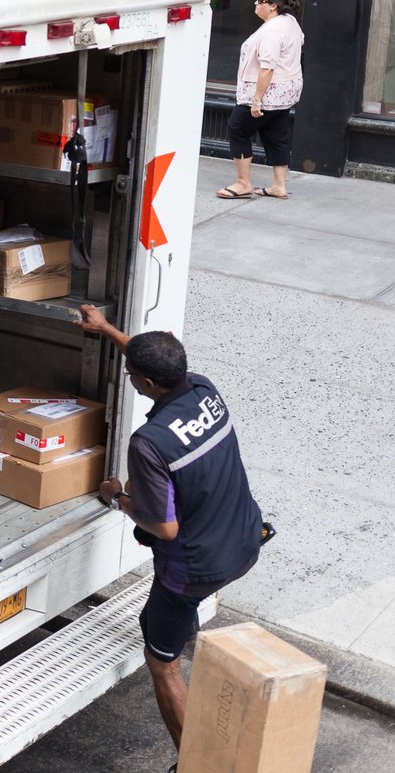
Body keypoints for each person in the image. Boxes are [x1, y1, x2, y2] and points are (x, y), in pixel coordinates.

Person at [76, 306, 266, 756]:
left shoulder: (150, 443)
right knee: (156, 622)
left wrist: (116, 498)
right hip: (244, 538)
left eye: (131, 374)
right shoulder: (204, 390)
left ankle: (195, 763)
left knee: (162, 664)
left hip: (195, 568)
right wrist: (105, 330)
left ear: (145, 384)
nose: (131, 378)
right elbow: (150, 361)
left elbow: (163, 526)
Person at [218, 0, 304, 200]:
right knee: (276, 134)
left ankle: (243, 183)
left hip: (265, 94)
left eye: (261, 1)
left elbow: (267, 68)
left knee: (237, 129)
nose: (256, 4)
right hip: (286, 93)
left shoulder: (272, 31)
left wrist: (257, 100)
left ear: (273, 6)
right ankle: (278, 185)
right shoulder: (290, 22)